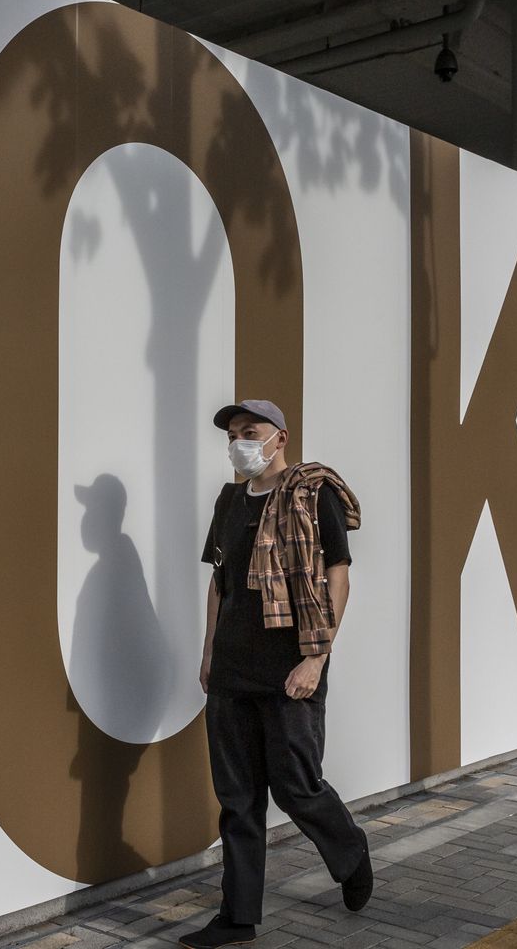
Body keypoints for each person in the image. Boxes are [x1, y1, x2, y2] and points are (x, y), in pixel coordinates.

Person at [178, 399, 372, 949]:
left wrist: (317, 658)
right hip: (233, 670)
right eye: (233, 433)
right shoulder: (229, 498)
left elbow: (338, 574)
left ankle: (350, 852)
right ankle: (238, 918)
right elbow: (221, 581)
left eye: (250, 431)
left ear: (279, 438)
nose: (240, 441)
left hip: (292, 666)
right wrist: (209, 652)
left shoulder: (314, 494)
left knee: (296, 786)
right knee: (237, 798)